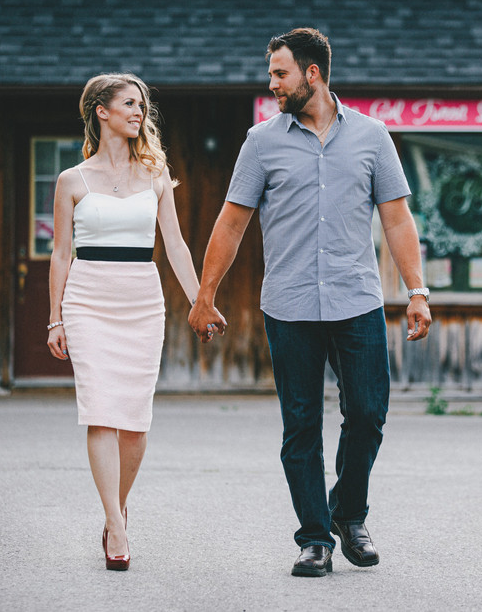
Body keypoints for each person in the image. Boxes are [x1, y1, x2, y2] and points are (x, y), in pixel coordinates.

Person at [189, 28, 432, 577]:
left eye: (280, 73)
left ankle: (349, 514)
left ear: (312, 74)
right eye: (272, 73)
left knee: (367, 414)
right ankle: (315, 537)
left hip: (357, 300)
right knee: (300, 426)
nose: (271, 83)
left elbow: (396, 218)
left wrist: (416, 290)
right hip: (290, 304)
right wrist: (205, 295)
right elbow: (232, 223)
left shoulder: (373, 137)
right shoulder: (261, 142)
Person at [46, 73, 200, 571]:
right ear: (101, 111)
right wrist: (55, 319)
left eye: (142, 105)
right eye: (130, 104)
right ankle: (115, 525)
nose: (140, 112)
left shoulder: (156, 173)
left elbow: (174, 244)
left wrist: (201, 300)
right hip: (87, 299)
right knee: (100, 410)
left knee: (134, 422)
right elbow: (60, 254)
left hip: (141, 300)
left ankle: (118, 504)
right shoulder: (72, 180)